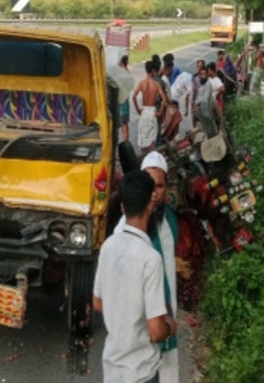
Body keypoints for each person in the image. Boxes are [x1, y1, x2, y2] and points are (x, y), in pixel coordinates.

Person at [95, 170, 177, 383]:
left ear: (123, 208)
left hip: (112, 368)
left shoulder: (108, 247)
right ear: (150, 205)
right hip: (141, 373)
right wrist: (171, 326)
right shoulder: (150, 259)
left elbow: (98, 302)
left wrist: (123, 312)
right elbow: (156, 332)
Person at [116, 152, 180, 383]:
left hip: (164, 318)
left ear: (166, 187)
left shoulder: (170, 221)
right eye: (148, 185)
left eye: (160, 186)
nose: (154, 193)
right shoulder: (124, 229)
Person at [133, 61, 168, 153]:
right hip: (152, 111)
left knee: (142, 139)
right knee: (152, 140)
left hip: (144, 111)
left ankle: (143, 160)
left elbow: (133, 96)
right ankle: (151, 160)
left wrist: (137, 109)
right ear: (153, 71)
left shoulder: (141, 83)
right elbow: (164, 99)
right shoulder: (156, 84)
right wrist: (160, 112)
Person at [119, 55, 131, 142]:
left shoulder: (122, 73)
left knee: (123, 125)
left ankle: (125, 141)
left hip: (122, 103)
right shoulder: (127, 72)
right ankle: (125, 141)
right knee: (124, 124)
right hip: (125, 101)